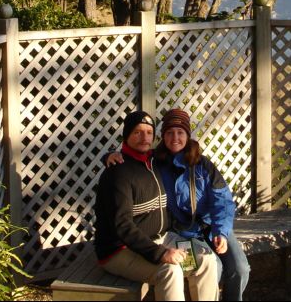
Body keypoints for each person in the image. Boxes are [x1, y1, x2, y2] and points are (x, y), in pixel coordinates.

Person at [106, 108, 251, 301]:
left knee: (240, 268)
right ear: (163, 136)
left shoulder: (202, 164)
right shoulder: (155, 161)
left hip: (212, 227)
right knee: (212, 266)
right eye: (170, 133)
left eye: (180, 132)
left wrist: (221, 231)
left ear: (187, 135)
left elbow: (222, 201)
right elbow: (132, 157)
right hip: (182, 231)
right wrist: (110, 155)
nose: (175, 138)